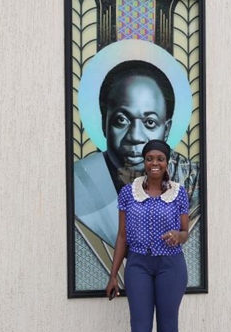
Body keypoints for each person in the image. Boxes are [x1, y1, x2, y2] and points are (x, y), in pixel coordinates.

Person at [73, 60, 198, 247]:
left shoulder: (192, 181)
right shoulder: (79, 179)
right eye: (121, 120)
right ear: (104, 123)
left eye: (150, 122)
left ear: (166, 129)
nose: (135, 136)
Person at [105, 139, 188, 332]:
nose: (155, 163)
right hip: (138, 264)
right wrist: (113, 275)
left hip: (170, 265)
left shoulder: (179, 193)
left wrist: (178, 236)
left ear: (167, 162)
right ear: (144, 161)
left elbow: (186, 232)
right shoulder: (129, 193)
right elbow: (122, 236)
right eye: (150, 158)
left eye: (160, 159)